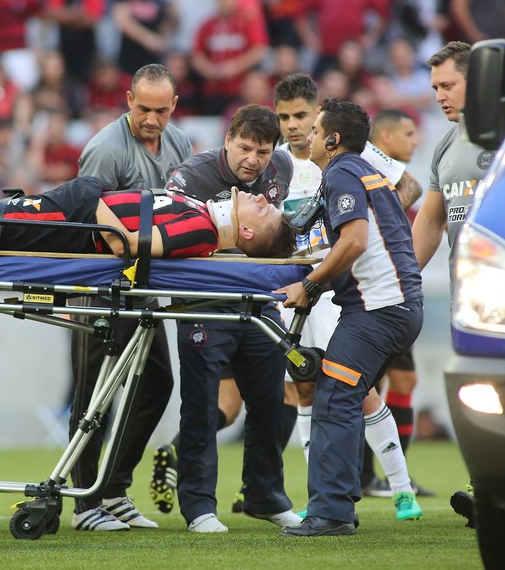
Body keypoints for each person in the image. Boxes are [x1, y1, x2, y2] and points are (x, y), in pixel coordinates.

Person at [149, 77, 425, 522]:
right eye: (286, 118)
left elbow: (386, 208)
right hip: (242, 299)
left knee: (329, 395)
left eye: (305, 120)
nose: (297, 128)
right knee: (285, 394)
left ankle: (367, 496)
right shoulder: (206, 173)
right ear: (228, 140)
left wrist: (321, 274)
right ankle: (231, 504)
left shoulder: (336, 166)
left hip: (315, 296)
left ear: (323, 128)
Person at [278, 98, 424, 537]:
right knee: (342, 395)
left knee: (334, 399)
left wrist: (309, 286)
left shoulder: (342, 172)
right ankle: (353, 500)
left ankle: (331, 513)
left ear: (333, 140)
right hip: (396, 307)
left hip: (378, 311)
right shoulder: (365, 171)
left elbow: (356, 241)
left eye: (316, 129)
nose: (309, 135)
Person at [67, 63, 194, 531]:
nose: (152, 119)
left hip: (144, 289)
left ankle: (113, 489)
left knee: (157, 383)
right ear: (128, 101)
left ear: (174, 106)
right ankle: (85, 505)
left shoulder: (179, 144)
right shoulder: (106, 150)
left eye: (161, 110)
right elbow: (85, 221)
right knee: (92, 396)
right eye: (143, 109)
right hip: (101, 288)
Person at [162, 104, 300, 534]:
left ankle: (265, 497)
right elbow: (170, 241)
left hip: (259, 301)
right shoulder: (189, 178)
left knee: (271, 402)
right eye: (244, 148)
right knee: (202, 406)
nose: (253, 160)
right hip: (204, 302)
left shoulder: (282, 168)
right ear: (227, 140)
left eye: (262, 151)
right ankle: (199, 506)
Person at [411, 41, 490, 527]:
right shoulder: (446, 144)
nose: (439, 95)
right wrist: (401, 277)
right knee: (476, 388)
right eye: (435, 87)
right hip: (466, 295)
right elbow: (430, 221)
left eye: (448, 85)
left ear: (476, 81)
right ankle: (489, 485)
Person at [0, 174, 293, 259]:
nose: (260, 197)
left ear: (245, 230)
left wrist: (95, 200)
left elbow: (129, 245)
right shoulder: (201, 213)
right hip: (73, 209)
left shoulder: (201, 232)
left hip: (70, 221)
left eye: (263, 208)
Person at [360, 108, 431, 499]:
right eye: (408, 133)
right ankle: (366, 476)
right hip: (373, 295)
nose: (416, 140)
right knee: (367, 383)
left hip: (399, 294)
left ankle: (390, 475)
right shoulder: (365, 170)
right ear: (384, 138)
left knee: (402, 381)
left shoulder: (398, 183)